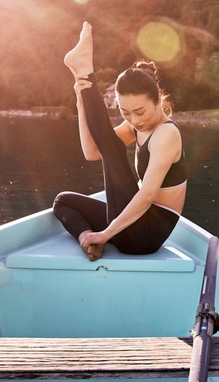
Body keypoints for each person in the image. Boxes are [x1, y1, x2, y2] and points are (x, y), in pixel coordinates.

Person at [53, 22, 187, 262]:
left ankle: (85, 71)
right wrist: (80, 102)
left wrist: (105, 234)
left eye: (140, 111)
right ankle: (87, 242)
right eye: (125, 113)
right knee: (63, 202)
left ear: (158, 100)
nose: (134, 120)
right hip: (131, 225)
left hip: (146, 235)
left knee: (112, 147)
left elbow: (146, 196)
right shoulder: (136, 126)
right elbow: (92, 152)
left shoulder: (167, 134)